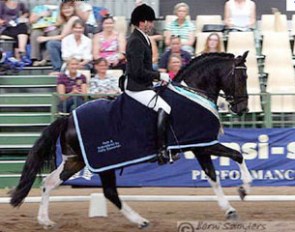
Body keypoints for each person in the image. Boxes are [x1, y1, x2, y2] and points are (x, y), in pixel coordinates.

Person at [125, 4, 172, 162]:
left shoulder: (144, 39)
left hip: (144, 85)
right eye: (150, 22)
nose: (152, 25)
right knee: (164, 107)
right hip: (136, 87)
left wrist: (158, 79)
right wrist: (160, 76)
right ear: (142, 22)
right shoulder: (135, 41)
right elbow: (137, 71)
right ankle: (161, 151)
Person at [38, 1, 79, 74]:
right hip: (66, 45)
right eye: (64, 9)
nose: (66, 10)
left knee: (52, 44)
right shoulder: (64, 20)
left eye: (69, 8)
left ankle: (57, 69)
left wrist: (45, 38)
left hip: (74, 46)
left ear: (73, 8)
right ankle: (44, 59)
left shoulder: (74, 19)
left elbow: (62, 36)